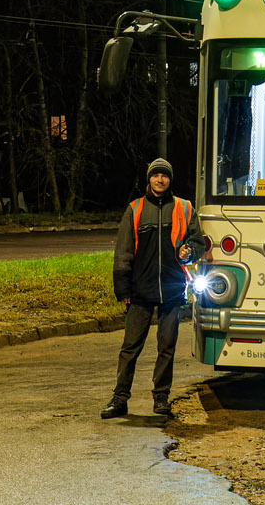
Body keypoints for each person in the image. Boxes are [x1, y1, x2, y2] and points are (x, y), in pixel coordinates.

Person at [101, 157, 203, 420]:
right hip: (140, 291)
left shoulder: (184, 207)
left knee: (166, 347)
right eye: (156, 175)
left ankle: (161, 399)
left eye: (165, 176)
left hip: (172, 290)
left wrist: (188, 251)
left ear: (170, 179)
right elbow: (123, 252)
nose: (160, 180)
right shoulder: (135, 209)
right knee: (130, 348)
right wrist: (123, 289)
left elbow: (198, 243)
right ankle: (120, 398)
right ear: (149, 179)